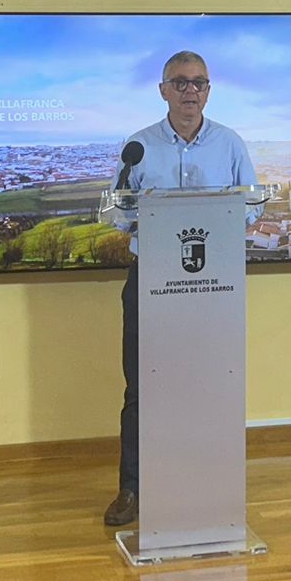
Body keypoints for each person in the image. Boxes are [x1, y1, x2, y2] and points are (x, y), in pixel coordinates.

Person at [102, 51, 259, 527]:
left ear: (209, 91)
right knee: (141, 387)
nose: (191, 91)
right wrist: (145, 214)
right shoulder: (138, 145)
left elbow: (253, 206)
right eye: (181, 82)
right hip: (150, 278)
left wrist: (221, 213)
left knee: (209, 382)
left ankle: (205, 482)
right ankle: (132, 488)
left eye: (199, 83)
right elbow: (117, 210)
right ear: (163, 90)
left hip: (212, 285)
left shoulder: (230, 144)